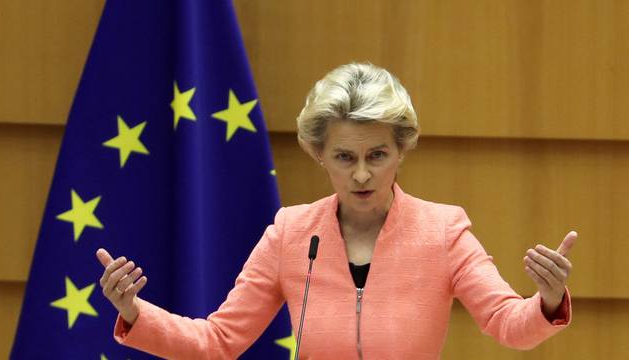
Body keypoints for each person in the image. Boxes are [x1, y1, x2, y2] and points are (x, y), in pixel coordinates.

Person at [96, 63, 575, 359]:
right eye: (345, 157)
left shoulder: (443, 231)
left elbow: (509, 325)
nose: (362, 175)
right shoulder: (290, 233)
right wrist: (136, 312)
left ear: (401, 151)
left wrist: (547, 301)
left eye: (377, 155)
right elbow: (219, 341)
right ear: (320, 155)